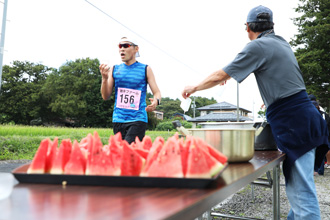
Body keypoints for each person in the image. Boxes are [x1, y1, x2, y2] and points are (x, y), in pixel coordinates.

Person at [182, 5, 329, 220]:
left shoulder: (258, 46)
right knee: (299, 192)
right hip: (304, 119)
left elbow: (219, 74)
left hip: (294, 122)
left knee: (303, 196)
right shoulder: (281, 43)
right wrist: (230, 74)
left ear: (248, 27)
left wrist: (194, 88)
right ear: (271, 25)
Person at [100, 37, 161, 144]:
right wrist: (104, 79)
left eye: (126, 46)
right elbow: (105, 96)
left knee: (128, 151)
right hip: (118, 119)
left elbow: (157, 93)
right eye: (120, 46)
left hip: (137, 119)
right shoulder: (114, 69)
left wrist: (156, 101)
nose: (122, 49)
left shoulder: (145, 69)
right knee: (120, 154)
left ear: (136, 49)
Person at [311, 100, 330, 175]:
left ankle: (318, 170)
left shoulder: (320, 115)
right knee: (320, 153)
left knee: (318, 153)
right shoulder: (322, 114)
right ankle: (318, 170)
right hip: (321, 136)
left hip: (320, 136)